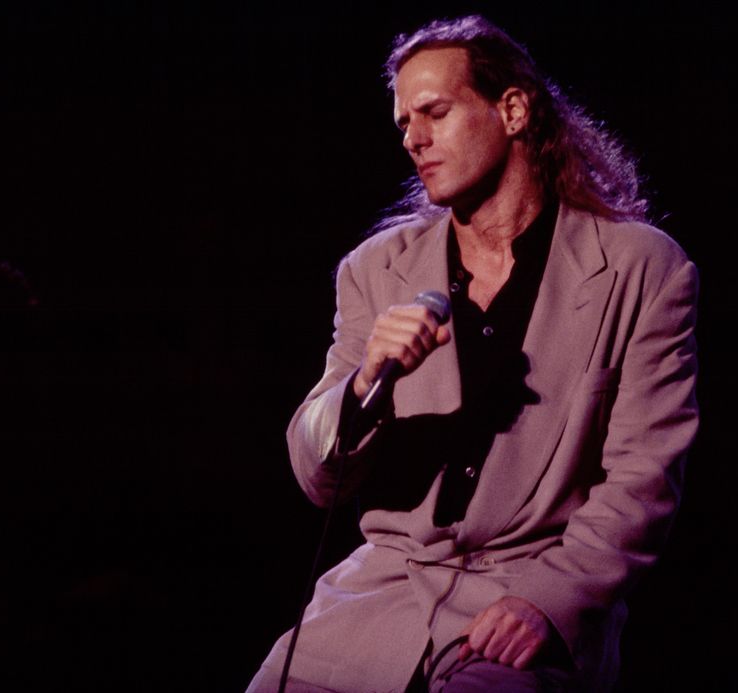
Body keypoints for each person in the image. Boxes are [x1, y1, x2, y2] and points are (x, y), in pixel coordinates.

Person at [249, 15, 698, 692]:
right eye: (404, 122)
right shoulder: (376, 269)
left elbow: (644, 478)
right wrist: (366, 382)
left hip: (525, 599)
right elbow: (316, 472)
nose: (414, 138)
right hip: (380, 597)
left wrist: (549, 601)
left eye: (435, 112)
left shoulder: (641, 268)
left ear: (513, 109)